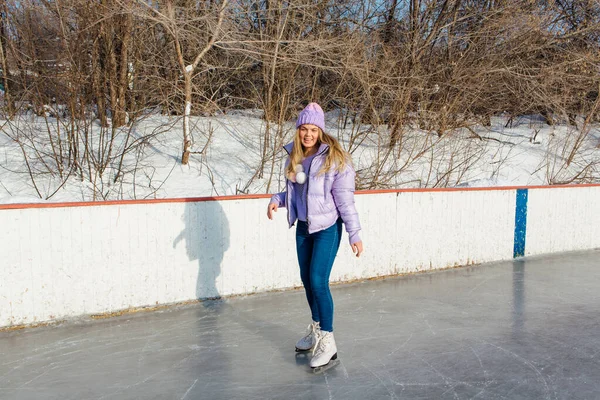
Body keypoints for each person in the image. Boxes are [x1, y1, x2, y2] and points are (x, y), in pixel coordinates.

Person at [267, 102, 364, 369]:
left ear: (320, 130)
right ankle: (317, 329)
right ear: (298, 130)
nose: (308, 134)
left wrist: (354, 233)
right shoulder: (295, 157)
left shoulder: (335, 159)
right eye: (303, 129)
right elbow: (299, 195)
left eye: (313, 129)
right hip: (303, 228)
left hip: (327, 228)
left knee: (319, 281)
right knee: (307, 281)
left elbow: (345, 201)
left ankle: (328, 342)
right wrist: (278, 199)